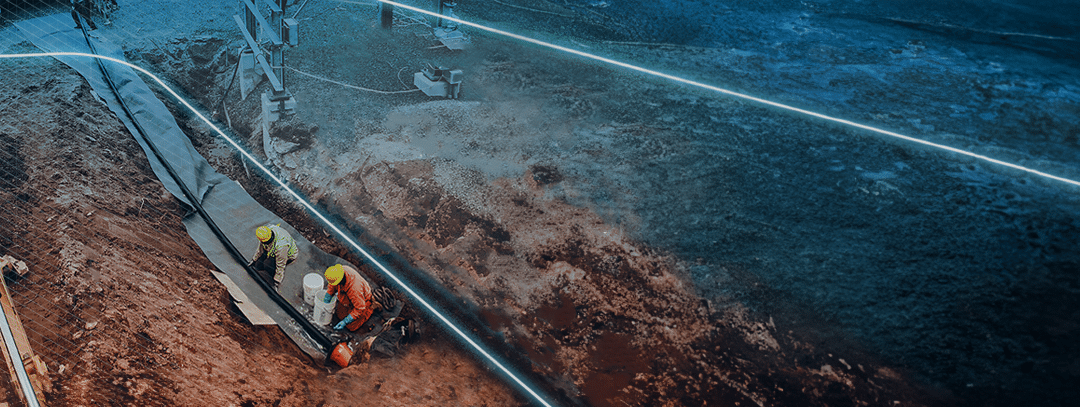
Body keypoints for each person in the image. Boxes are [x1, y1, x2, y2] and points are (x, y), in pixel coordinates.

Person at [323, 264, 379, 331]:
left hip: (362, 301)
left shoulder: (355, 289)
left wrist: (345, 321)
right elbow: (332, 285)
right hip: (348, 295)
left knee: (351, 326)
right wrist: (326, 298)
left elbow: (360, 308)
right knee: (339, 314)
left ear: (340, 281)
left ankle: (371, 308)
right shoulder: (338, 272)